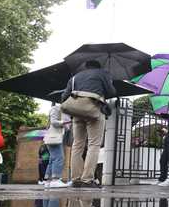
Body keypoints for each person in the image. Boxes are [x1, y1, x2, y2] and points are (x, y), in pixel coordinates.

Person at [61, 60, 116, 188]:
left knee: (77, 145)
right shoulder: (103, 74)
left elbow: (64, 96)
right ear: (98, 66)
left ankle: (75, 179)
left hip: (77, 113)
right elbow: (112, 92)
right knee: (93, 144)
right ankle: (87, 180)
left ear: (85, 67)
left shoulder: (74, 78)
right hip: (94, 111)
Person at [43, 102, 69, 188]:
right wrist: (64, 122)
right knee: (59, 157)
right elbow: (54, 122)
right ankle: (56, 179)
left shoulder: (63, 111)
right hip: (54, 137)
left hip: (55, 137)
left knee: (52, 159)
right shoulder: (55, 108)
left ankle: (48, 180)